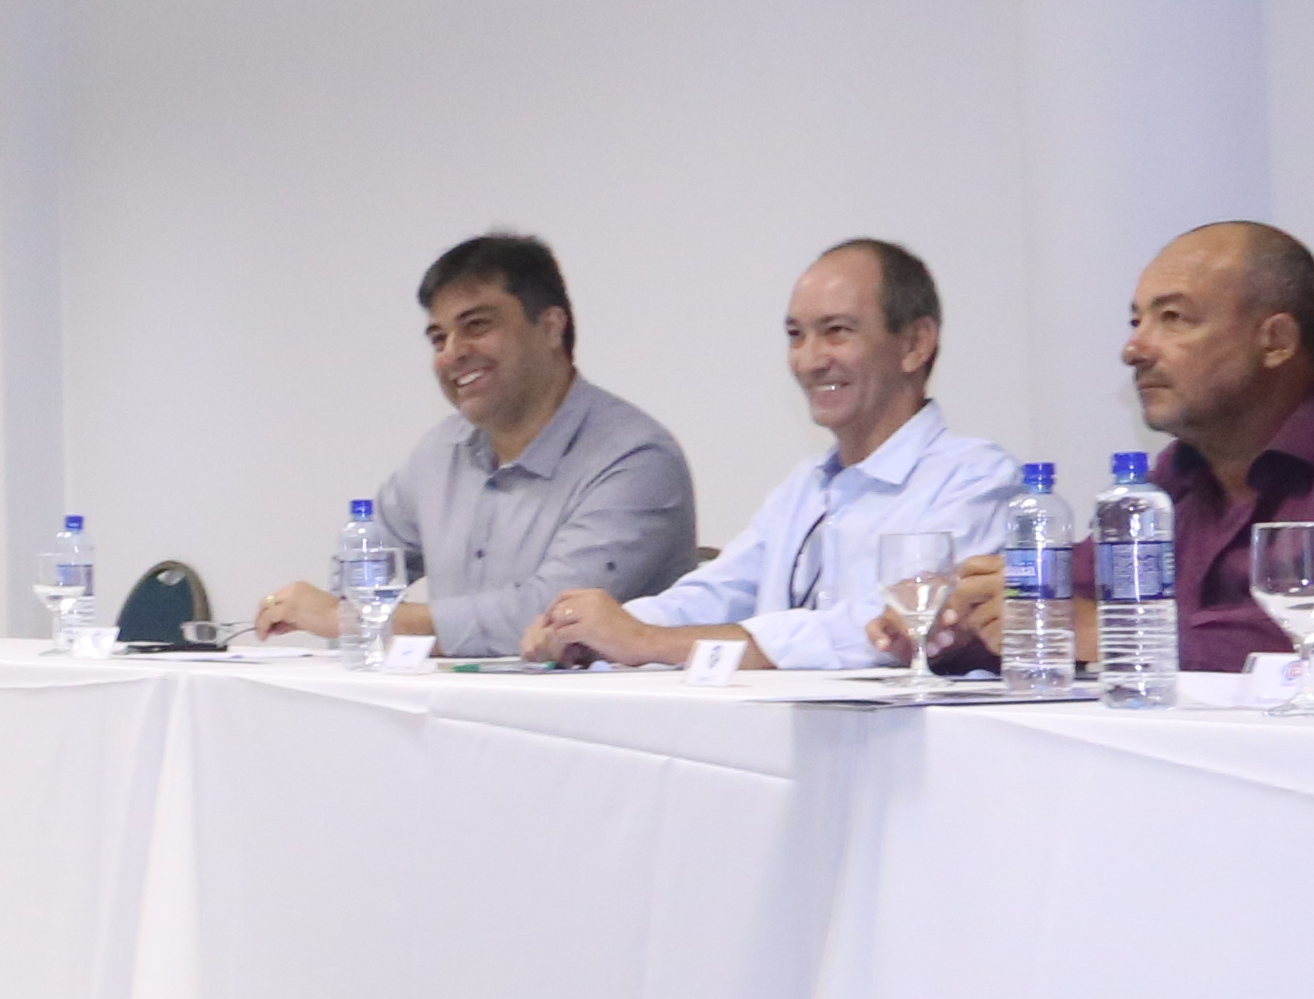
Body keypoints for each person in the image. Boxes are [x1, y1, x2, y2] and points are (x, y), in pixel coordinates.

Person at [915, 223, 1314, 671]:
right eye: (1136, 321)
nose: (1134, 350)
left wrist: (1110, 633)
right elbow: (1076, 597)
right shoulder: (1181, 475)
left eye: (1172, 318)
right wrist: (963, 625)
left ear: (1276, 341)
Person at [528, 239, 1014, 669]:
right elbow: (717, 592)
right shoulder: (807, 485)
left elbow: (882, 631)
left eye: (836, 331)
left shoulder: (975, 479)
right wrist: (586, 630)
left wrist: (643, 641)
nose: (809, 360)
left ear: (914, 344)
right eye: (796, 335)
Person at [251, 230, 698, 653]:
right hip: (447, 701)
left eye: (477, 326)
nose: (452, 352)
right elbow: (358, 574)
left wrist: (360, 620)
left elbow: (550, 619)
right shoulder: (439, 452)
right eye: (438, 338)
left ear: (550, 327)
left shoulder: (636, 458)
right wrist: (353, 615)